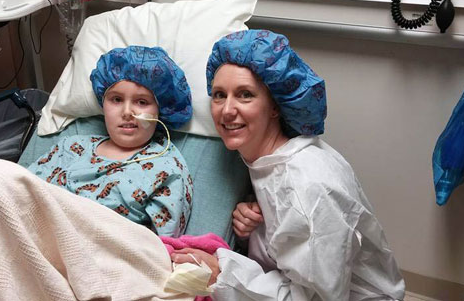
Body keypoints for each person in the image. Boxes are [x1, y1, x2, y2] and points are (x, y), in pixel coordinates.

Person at [171, 30, 405, 300]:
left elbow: (314, 297)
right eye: (219, 95)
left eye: (245, 95)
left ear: (275, 107)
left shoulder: (309, 185)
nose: (226, 110)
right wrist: (253, 229)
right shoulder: (263, 159)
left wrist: (222, 272)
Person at [28, 46, 194, 237]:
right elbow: (21, 190)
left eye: (142, 102)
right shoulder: (70, 147)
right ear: (103, 104)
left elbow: (163, 247)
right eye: (116, 99)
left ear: (160, 109)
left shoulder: (167, 169)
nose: (127, 112)